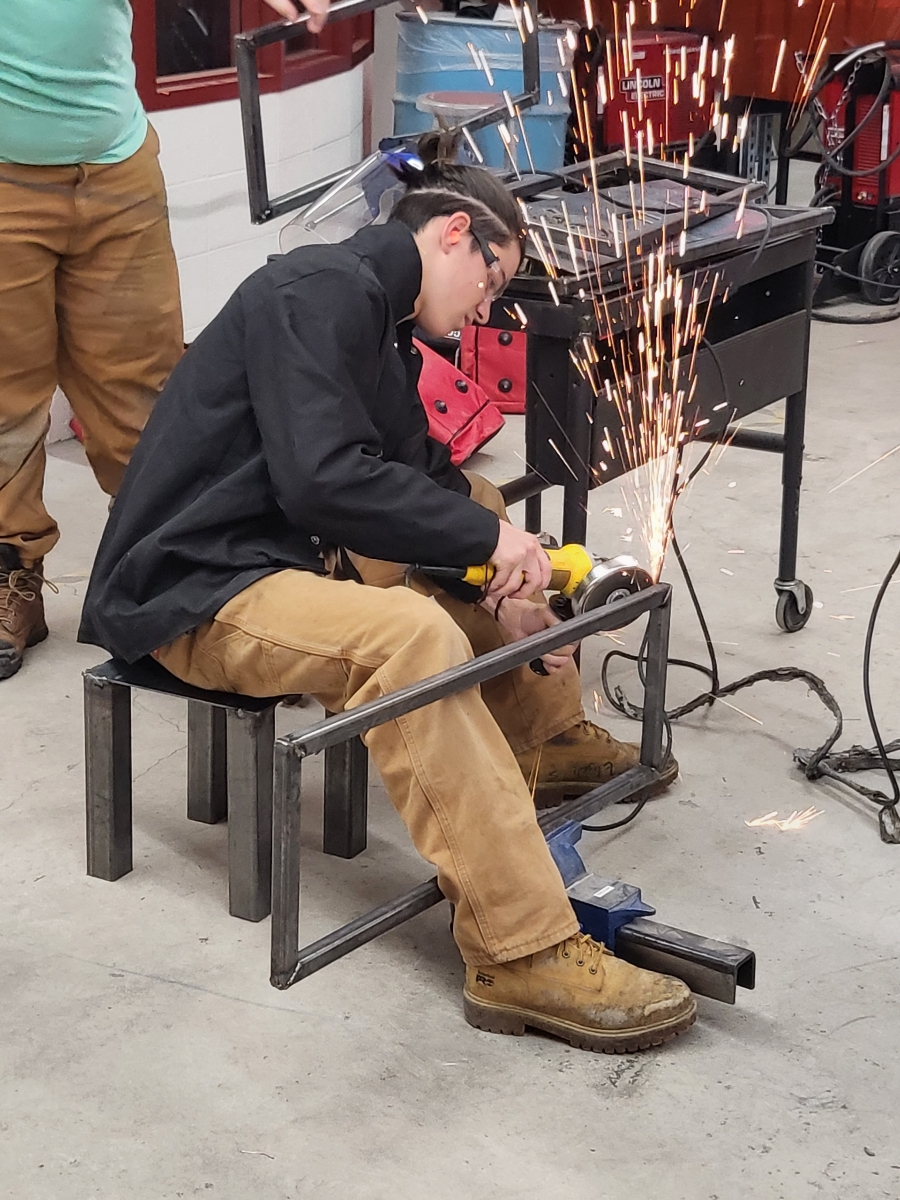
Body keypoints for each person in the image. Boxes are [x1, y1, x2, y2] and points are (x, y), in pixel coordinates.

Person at [79, 134, 692, 1053]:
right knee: (409, 635)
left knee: (476, 505)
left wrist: (502, 584)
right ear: (453, 234)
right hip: (199, 585)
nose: (489, 307)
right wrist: (487, 547)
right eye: (492, 281)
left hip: (280, 560)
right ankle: (519, 947)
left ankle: (542, 734)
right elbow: (324, 482)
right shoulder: (316, 290)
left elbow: (422, 484)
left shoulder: (381, 329)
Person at [0, 0, 326, 680]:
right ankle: (11, 573)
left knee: (149, 397)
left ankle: (169, 570)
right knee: (4, 405)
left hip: (116, 164)